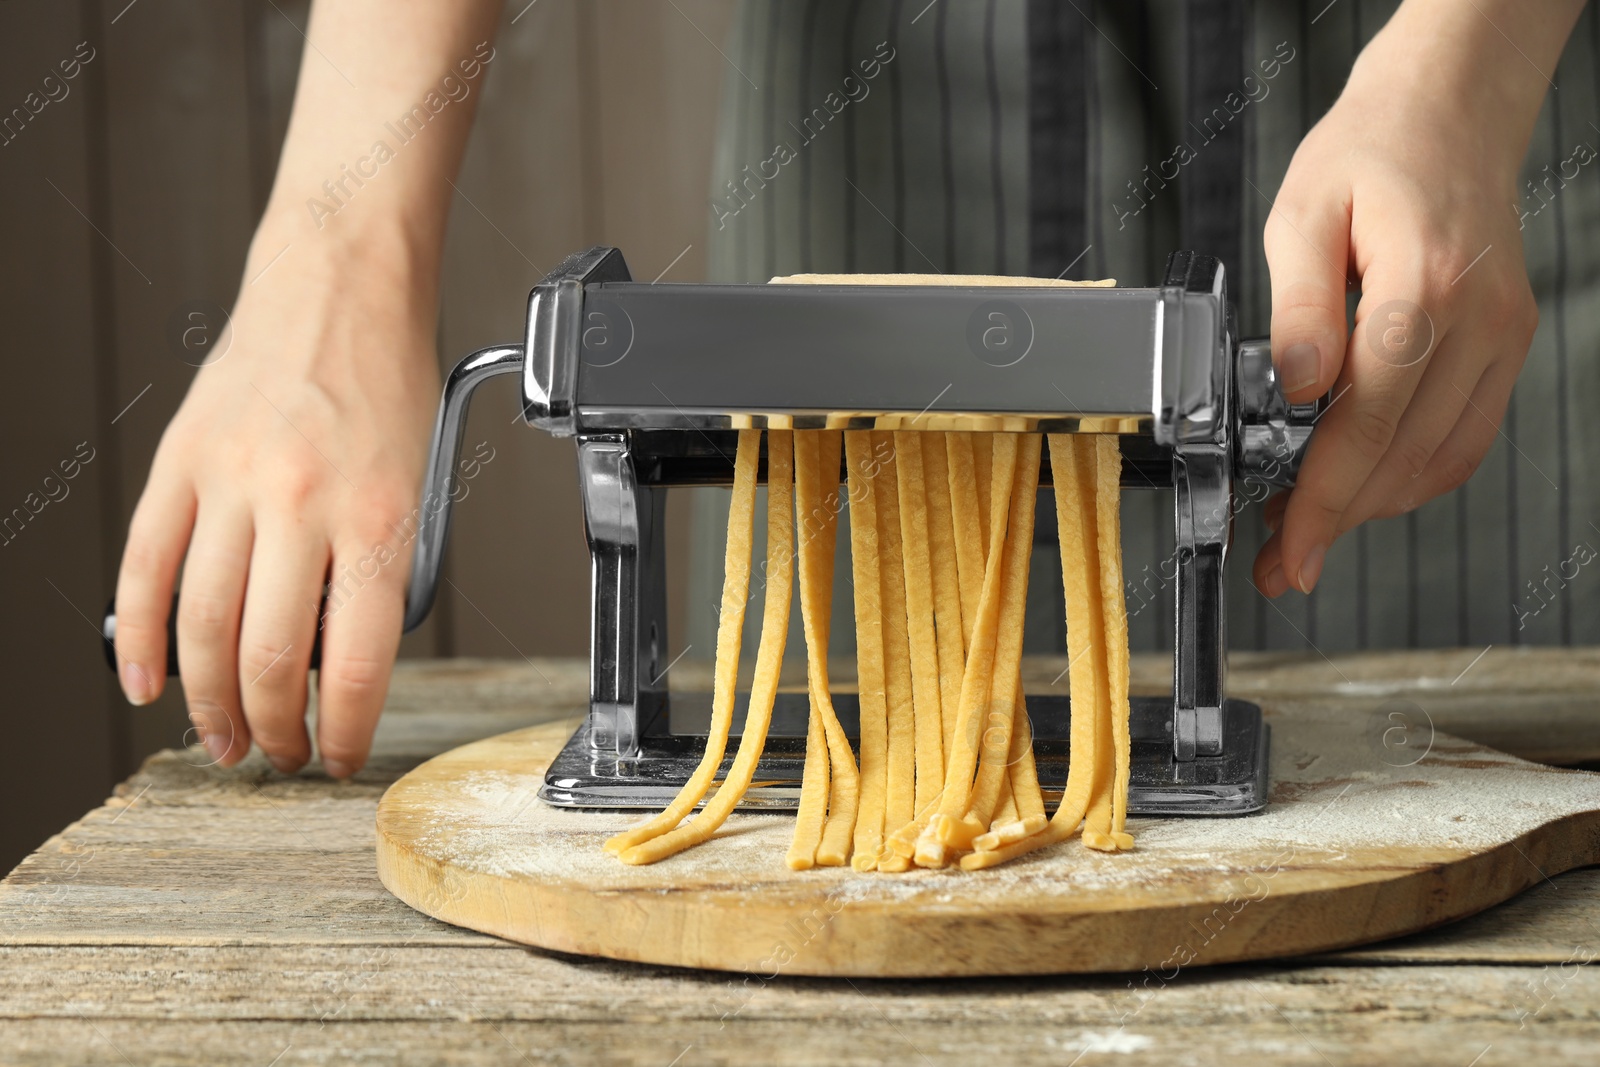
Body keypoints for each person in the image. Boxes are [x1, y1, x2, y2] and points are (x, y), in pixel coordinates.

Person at [111, 0, 1591, 779]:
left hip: (1445, 84)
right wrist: (338, 244)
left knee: (1440, 782)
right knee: (809, 764)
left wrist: (1471, 61)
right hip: (896, 70)